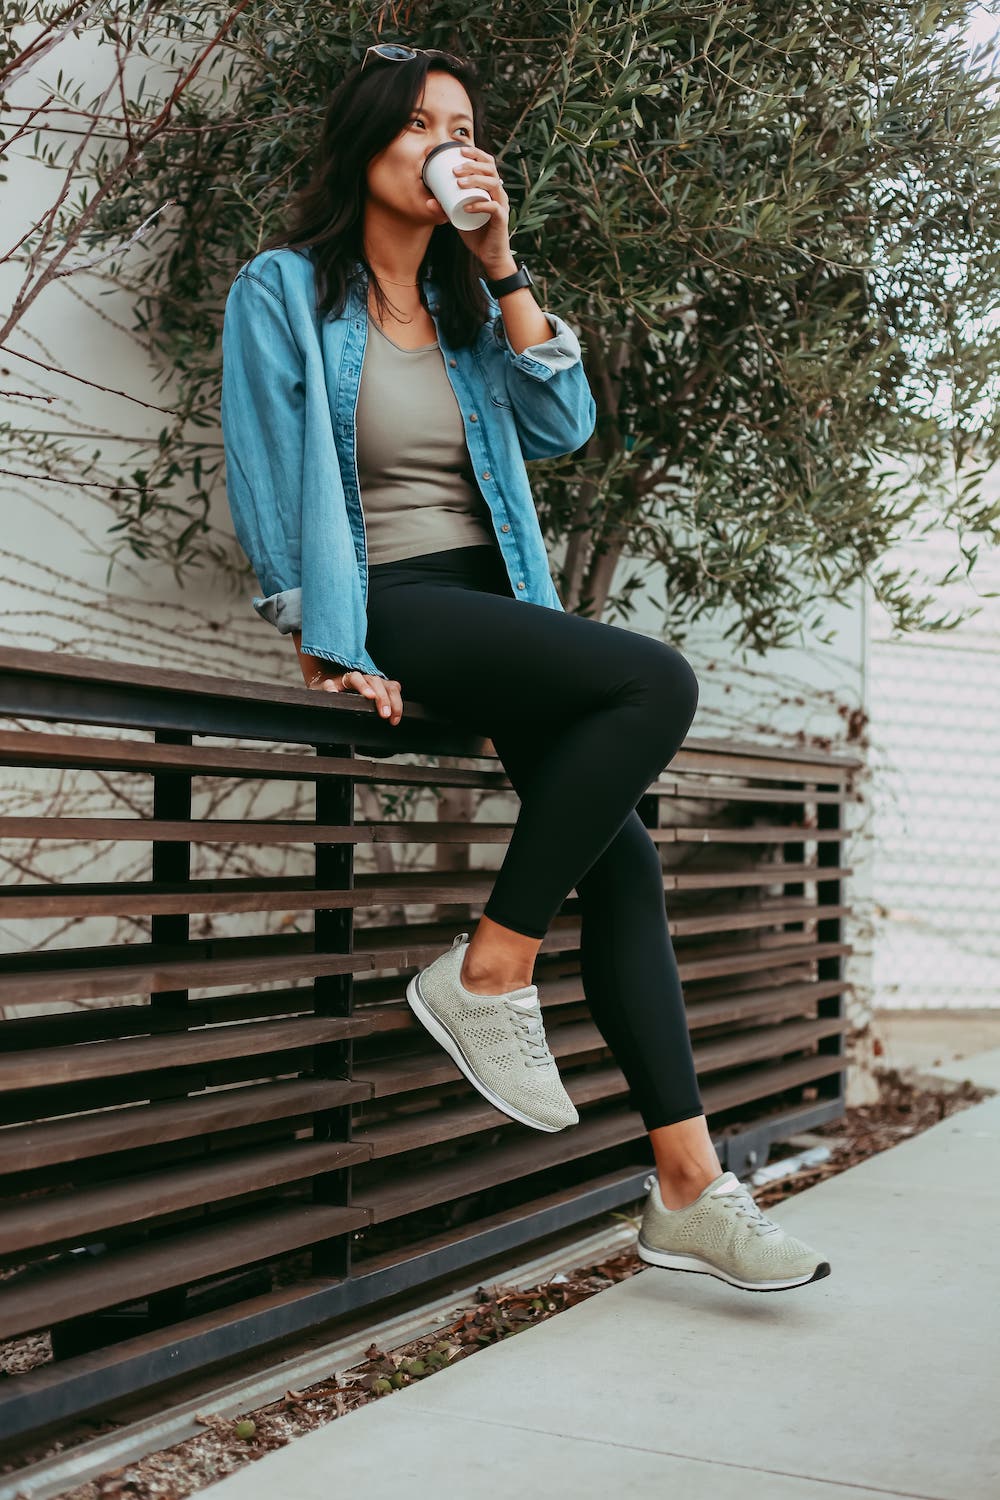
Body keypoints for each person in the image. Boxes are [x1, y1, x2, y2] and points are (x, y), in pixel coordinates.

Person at [220, 42, 831, 1292]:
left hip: (494, 603)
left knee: (625, 867)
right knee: (653, 680)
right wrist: (322, 637)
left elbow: (563, 423)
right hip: (388, 598)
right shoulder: (281, 290)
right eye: (420, 127)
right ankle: (489, 967)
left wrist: (500, 263)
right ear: (366, 146)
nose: (448, 146)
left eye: (463, 128)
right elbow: (266, 472)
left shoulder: (459, 308)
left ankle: (687, 1186)